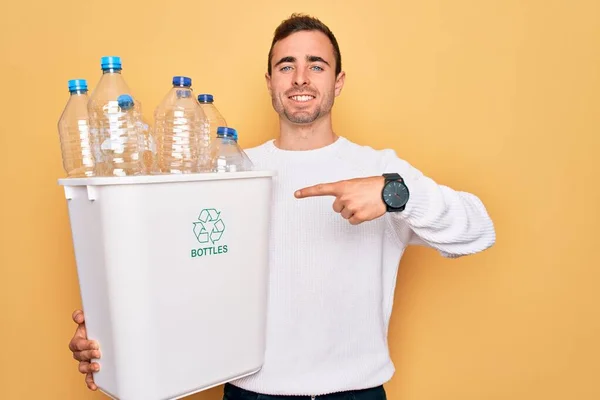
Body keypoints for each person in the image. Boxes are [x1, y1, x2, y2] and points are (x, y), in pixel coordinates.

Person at [68, 13, 495, 400]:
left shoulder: (379, 170)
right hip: (251, 392)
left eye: (317, 65)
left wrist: (392, 193)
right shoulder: (230, 171)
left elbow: (478, 230)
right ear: (270, 81)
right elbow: (179, 276)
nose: (301, 78)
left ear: (338, 81)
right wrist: (111, 328)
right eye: (286, 66)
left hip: (356, 392)